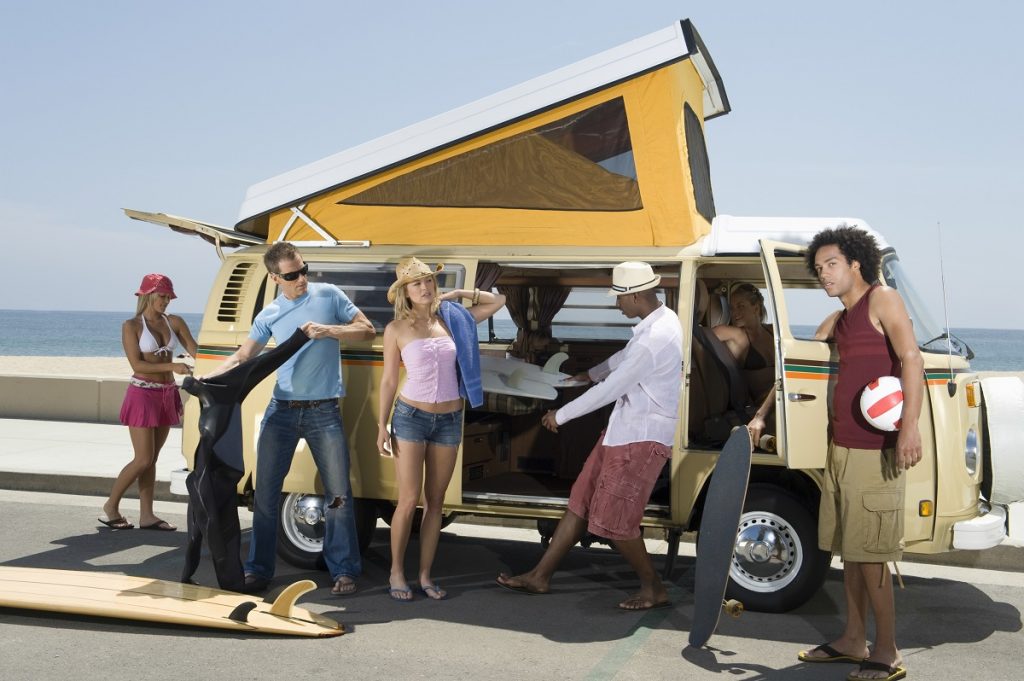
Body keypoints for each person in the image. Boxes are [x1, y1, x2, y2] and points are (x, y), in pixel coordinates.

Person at [496, 261, 681, 610]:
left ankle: (652, 587)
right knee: (580, 501)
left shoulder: (655, 338)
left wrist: (561, 415)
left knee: (615, 521)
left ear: (637, 295)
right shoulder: (658, 321)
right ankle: (540, 576)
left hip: (639, 438)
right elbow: (619, 363)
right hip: (623, 431)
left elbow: (614, 387)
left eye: (619, 299)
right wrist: (586, 375)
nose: (617, 305)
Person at [204, 242, 375, 595]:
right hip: (281, 412)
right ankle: (259, 570)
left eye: (304, 269)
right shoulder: (269, 315)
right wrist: (208, 378)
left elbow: (367, 328)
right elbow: (244, 355)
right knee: (265, 495)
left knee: (339, 495)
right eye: (293, 274)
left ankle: (344, 570)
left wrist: (331, 331)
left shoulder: (328, 295)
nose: (302, 278)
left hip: (324, 410)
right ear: (275, 277)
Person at [796, 226, 921, 681]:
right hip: (842, 448)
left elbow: (912, 359)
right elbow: (814, 346)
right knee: (851, 551)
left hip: (875, 450)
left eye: (831, 264)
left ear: (855, 264)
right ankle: (853, 638)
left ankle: (887, 650)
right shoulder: (844, 319)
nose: (823, 274)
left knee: (873, 554)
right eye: (818, 269)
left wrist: (910, 428)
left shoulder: (882, 299)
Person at [377, 257, 506, 601]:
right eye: (416, 283)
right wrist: (381, 425)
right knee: (408, 501)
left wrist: (459, 293)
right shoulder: (396, 329)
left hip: (449, 419)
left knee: (436, 504)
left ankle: (424, 575)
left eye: (429, 282)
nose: (425, 288)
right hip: (410, 417)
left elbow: (498, 301)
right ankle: (396, 572)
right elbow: (389, 380)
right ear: (405, 291)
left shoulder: (455, 319)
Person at [101, 274, 198, 531]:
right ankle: (111, 506)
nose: (167, 301)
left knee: (152, 459)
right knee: (143, 458)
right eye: (162, 296)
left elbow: (196, 350)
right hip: (142, 394)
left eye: (169, 297)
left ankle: (147, 515)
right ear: (148, 295)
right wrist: (173, 365)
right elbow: (137, 364)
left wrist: (231, 357)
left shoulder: (174, 322)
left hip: (167, 395)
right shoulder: (131, 326)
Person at [727, 283, 778, 445]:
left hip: (782, 396)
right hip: (764, 405)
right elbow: (702, 334)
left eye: (741, 306)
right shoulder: (736, 334)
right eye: (732, 308)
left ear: (756, 308)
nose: (735, 313)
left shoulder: (773, 330)